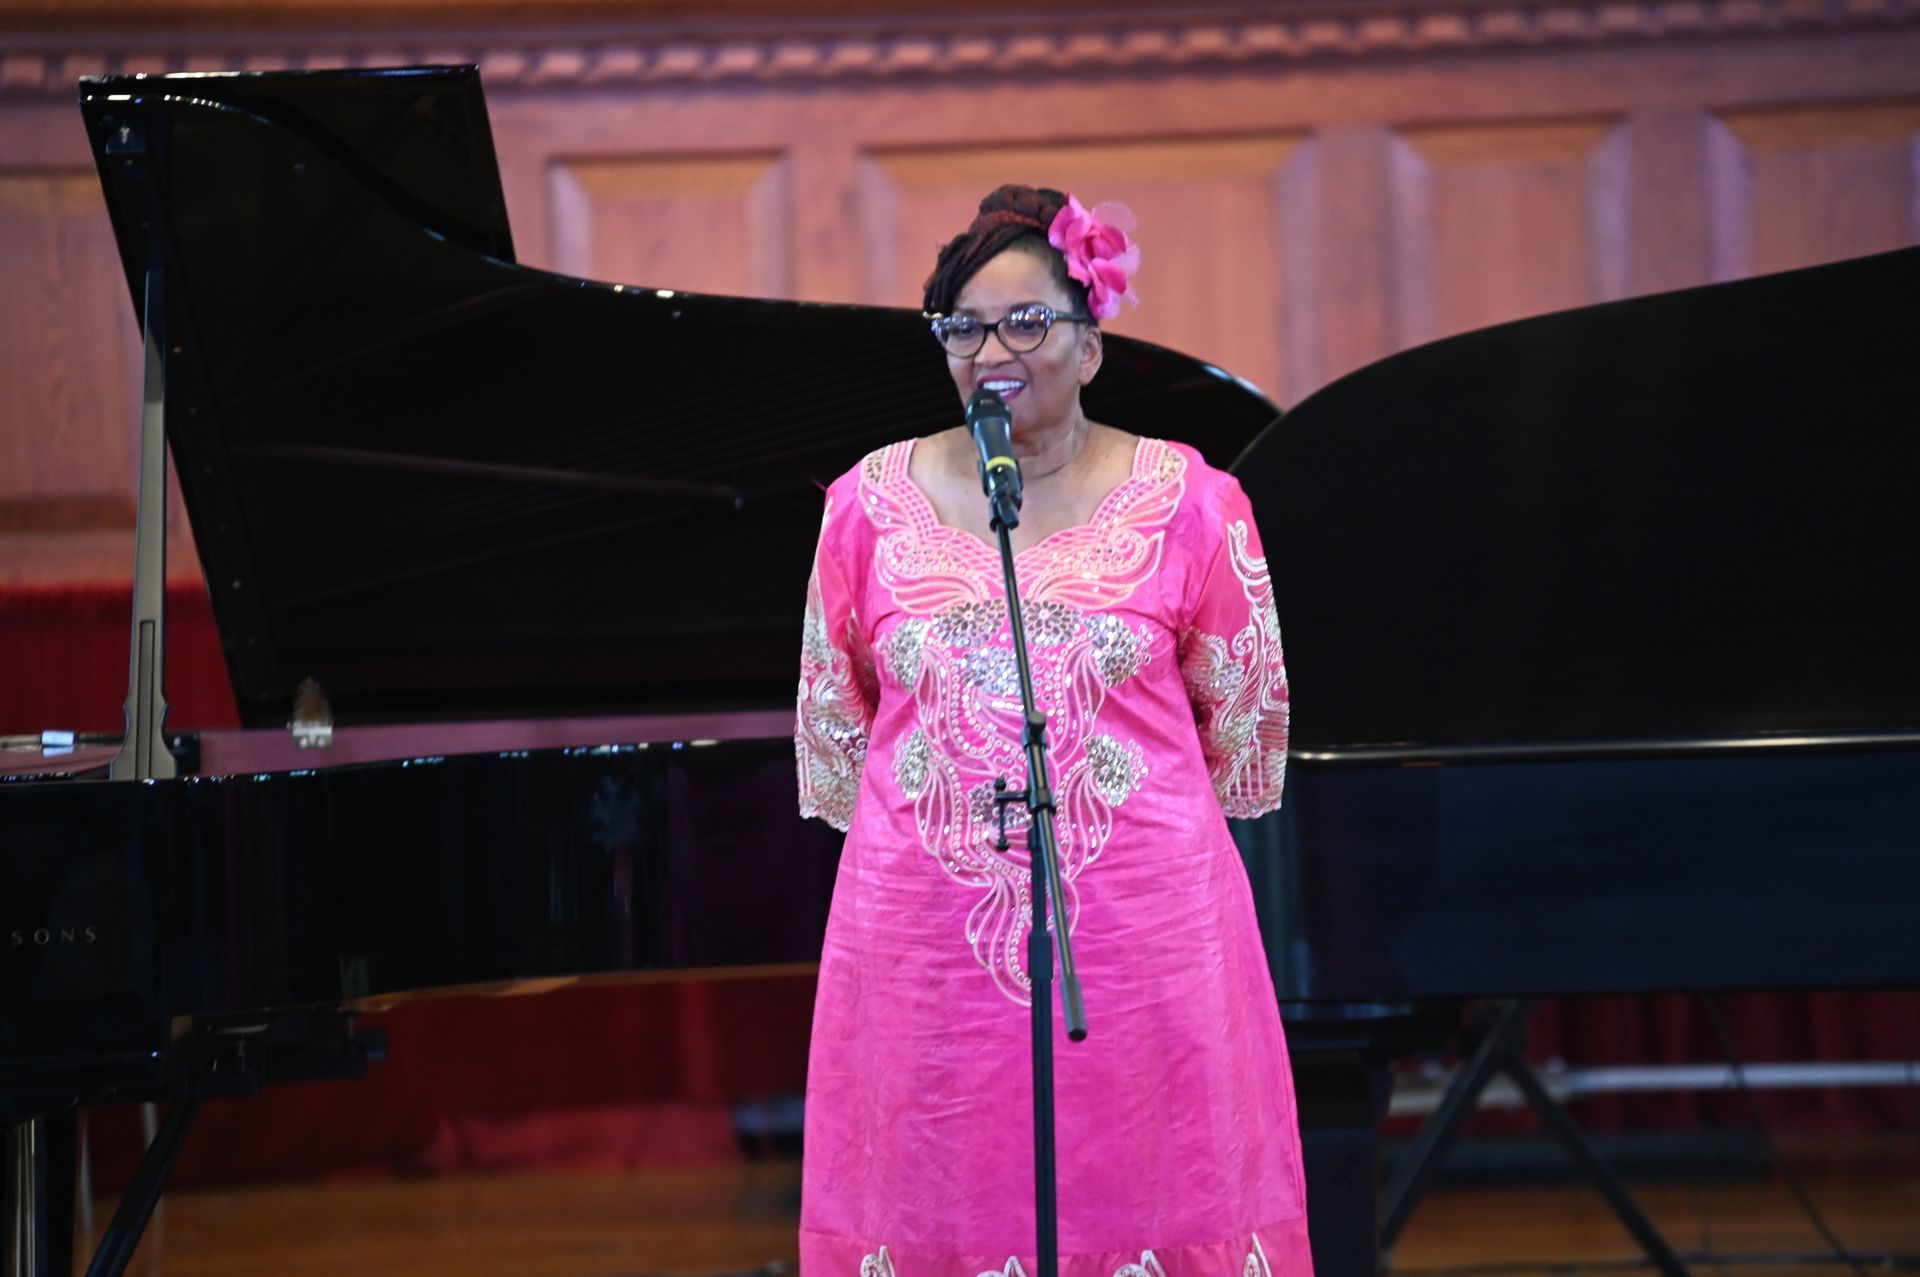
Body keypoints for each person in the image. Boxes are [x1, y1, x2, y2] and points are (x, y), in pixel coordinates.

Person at [795, 184, 1308, 1277]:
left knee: (1156, 1187)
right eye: (966, 327)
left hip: (1145, 938)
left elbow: (1241, 726)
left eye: (1028, 322)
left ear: (1092, 343)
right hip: (924, 944)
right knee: (939, 1190)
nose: (994, 352)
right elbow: (841, 718)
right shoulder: (863, 507)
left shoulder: (1195, 501)